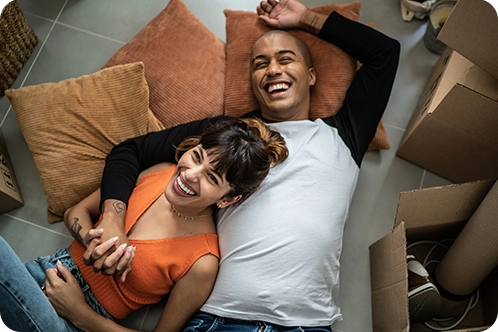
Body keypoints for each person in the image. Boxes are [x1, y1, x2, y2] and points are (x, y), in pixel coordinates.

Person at [86, 0, 401, 329]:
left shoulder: (344, 135)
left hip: (306, 324)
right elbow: (130, 151)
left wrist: (306, 19)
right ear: (253, 82)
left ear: (311, 76)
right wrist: (112, 218)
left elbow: (385, 53)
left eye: (285, 58)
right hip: (218, 319)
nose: (272, 69)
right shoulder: (228, 136)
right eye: (259, 64)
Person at [0, 118, 288, 332]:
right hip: (41, 271)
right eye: (197, 156)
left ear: (227, 199)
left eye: (212, 178)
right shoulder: (158, 172)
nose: (190, 174)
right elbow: (76, 211)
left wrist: (78, 312)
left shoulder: (202, 261)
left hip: (75, 323)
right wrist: (93, 241)